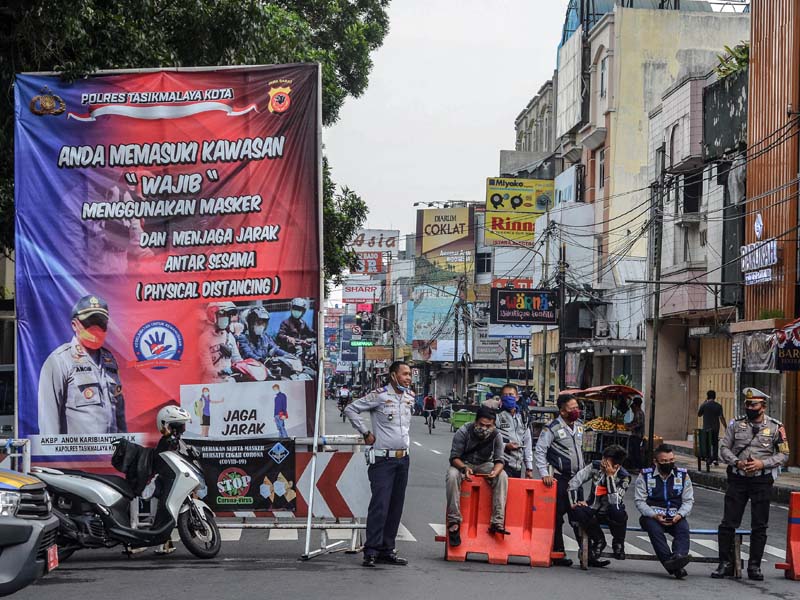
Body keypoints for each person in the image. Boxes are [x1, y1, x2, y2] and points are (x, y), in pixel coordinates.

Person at [712, 387, 789, 581]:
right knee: (728, 522)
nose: (749, 407)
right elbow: (724, 448)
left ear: (763, 406)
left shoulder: (775, 427)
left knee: (760, 525)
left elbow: (784, 454)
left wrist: (761, 463)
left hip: (761, 480)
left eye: (753, 404)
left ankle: (754, 566)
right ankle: (725, 563)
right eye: (747, 404)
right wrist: (737, 462)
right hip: (738, 478)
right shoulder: (735, 424)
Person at [344, 361, 414, 567]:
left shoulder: (410, 397)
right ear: (393, 376)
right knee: (380, 505)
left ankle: (387, 549)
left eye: (410, 374)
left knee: (396, 506)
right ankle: (371, 550)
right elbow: (351, 409)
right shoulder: (379, 395)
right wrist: (365, 433)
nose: (409, 378)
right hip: (383, 459)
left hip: (403, 458)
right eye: (405, 374)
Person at [38, 294, 127, 435]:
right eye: (90, 322)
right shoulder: (59, 360)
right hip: (78, 455)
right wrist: (53, 455)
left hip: (112, 452)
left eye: (101, 323)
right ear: (74, 325)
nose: (96, 328)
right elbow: (49, 421)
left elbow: (119, 414)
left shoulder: (110, 360)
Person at [446, 406, 509, 546]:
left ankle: (497, 522)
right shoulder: (463, 431)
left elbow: (500, 460)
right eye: (481, 424)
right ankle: (454, 521)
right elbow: (454, 457)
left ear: (493, 424)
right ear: (475, 422)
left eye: (489, 425)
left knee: (503, 476)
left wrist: (495, 472)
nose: (484, 428)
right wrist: (464, 467)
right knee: (451, 475)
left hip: (484, 464)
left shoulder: (496, 436)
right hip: (463, 463)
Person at [535, 393, 585, 566]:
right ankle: (558, 553)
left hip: (577, 480)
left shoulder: (579, 426)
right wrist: (544, 474)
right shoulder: (552, 428)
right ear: (562, 411)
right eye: (572, 408)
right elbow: (540, 451)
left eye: (577, 407)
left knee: (580, 515)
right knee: (557, 516)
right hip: (560, 478)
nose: (576, 411)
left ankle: (588, 554)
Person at [635, 444, 694, 579]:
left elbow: (688, 500)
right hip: (651, 516)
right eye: (664, 461)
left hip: (675, 516)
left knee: (683, 529)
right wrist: (654, 515)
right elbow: (639, 501)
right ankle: (671, 562)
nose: (669, 463)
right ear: (656, 462)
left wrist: (680, 515)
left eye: (671, 460)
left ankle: (679, 556)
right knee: (654, 530)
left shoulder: (683, 475)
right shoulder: (645, 476)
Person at [568, 445, 631, 567]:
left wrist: (610, 477)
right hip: (594, 509)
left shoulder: (624, 477)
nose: (602, 463)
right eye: (603, 459)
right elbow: (574, 483)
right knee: (576, 512)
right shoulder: (595, 466)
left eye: (606, 462)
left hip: (612, 513)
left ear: (616, 466)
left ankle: (618, 543)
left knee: (617, 510)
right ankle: (598, 540)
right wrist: (576, 502)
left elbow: (615, 500)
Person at [153, 405, 194, 555]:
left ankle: (165, 541)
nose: (182, 428)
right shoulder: (166, 442)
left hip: (175, 479)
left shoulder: (176, 441)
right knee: (165, 507)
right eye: (179, 425)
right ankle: (163, 540)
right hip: (166, 481)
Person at [495, 384, 533, 478]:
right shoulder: (496, 417)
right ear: (501, 398)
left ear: (516, 397)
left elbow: (527, 443)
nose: (508, 397)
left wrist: (529, 468)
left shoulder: (523, 418)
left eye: (511, 395)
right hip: (501, 465)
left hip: (517, 467)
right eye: (505, 395)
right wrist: (505, 446)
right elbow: (488, 441)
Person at [202, 301, 241, 380]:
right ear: (213, 316)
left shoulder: (229, 336)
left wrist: (243, 367)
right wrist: (219, 372)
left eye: (227, 315)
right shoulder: (205, 338)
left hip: (229, 380)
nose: (225, 318)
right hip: (211, 382)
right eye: (222, 315)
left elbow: (237, 359)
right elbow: (206, 365)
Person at [698, 390, 726, 466]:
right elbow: (721, 417)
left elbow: (699, 414)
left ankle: (708, 458)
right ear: (715, 396)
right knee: (715, 443)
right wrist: (726, 426)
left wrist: (703, 403)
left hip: (706, 428)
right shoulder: (718, 406)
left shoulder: (704, 405)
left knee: (707, 443)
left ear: (707, 396)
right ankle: (715, 459)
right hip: (715, 427)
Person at [626, 397, 645, 469]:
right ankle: (634, 466)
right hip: (635, 435)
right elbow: (634, 422)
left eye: (634, 403)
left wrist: (631, 427)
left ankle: (638, 467)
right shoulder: (637, 412)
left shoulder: (639, 413)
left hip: (637, 435)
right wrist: (629, 424)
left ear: (636, 404)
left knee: (636, 451)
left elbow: (639, 424)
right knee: (633, 451)